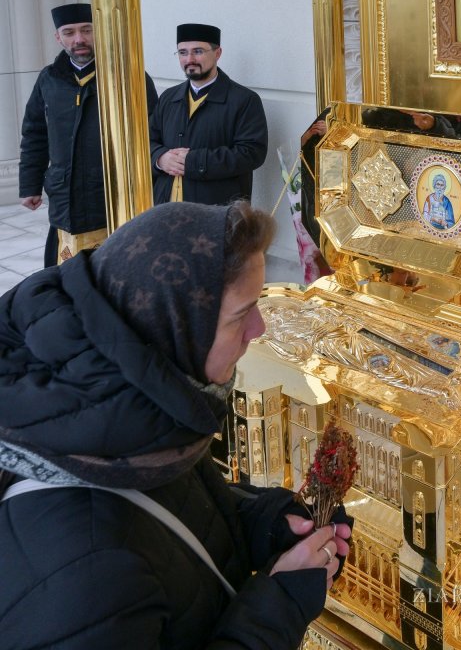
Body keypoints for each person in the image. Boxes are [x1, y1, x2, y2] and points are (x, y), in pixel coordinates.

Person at [0, 200, 351, 649]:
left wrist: (267, 522)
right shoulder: (83, 577)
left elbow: (176, 520)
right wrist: (277, 607)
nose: (259, 329)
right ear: (177, 328)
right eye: (241, 315)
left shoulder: (141, 421)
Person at [18, 2, 158, 267]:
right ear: (58, 37)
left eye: (86, 30)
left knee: (115, 268)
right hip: (65, 194)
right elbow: (34, 133)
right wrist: (30, 184)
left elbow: (153, 133)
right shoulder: (49, 79)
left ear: (100, 32)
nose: (79, 39)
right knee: (66, 271)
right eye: (69, 32)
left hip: (112, 194)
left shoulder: (129, 76)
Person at [150, 23, 268, 206]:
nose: (189, 59)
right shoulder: (168, 98)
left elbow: (252, 153)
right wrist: (160, 159)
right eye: (182, 52)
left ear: (217, 53)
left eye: (198, 51)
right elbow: (146, 142)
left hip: (216, 216)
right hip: (164, 211)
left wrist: (193, 162)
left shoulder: (244, 100)